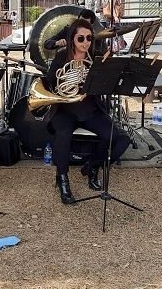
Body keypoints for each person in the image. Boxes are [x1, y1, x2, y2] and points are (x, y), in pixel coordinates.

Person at [46, 18, 131, 205]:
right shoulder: (61, 57)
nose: (85, 43)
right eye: (81, 38)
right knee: (63, 133)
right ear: (72, 39)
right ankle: (62, 179)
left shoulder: (98, 56)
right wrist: (68, 86)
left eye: (89, 38)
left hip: (91, 109)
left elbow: (107, 85)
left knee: (113, 136)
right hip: (66, 108)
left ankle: (93, 166)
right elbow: (50, 82)